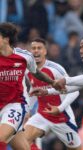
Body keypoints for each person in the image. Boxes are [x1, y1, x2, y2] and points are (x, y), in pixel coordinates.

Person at [0, 22, 54, 150]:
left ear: (6, 39)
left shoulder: (24, 56)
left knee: (0, 139)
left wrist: (53, 82)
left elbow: (36, 73)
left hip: (14, 105)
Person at [23, 38, 81, 150]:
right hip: (42, 115)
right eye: (33, 48)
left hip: (62, 117)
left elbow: (75, 91)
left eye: (39, 48)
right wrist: (27, 110)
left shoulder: (56, 69)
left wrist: (60, 108)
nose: (36, 51)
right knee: (21, 140)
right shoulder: (28, 70)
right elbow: (34, 92)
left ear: (45, 51)